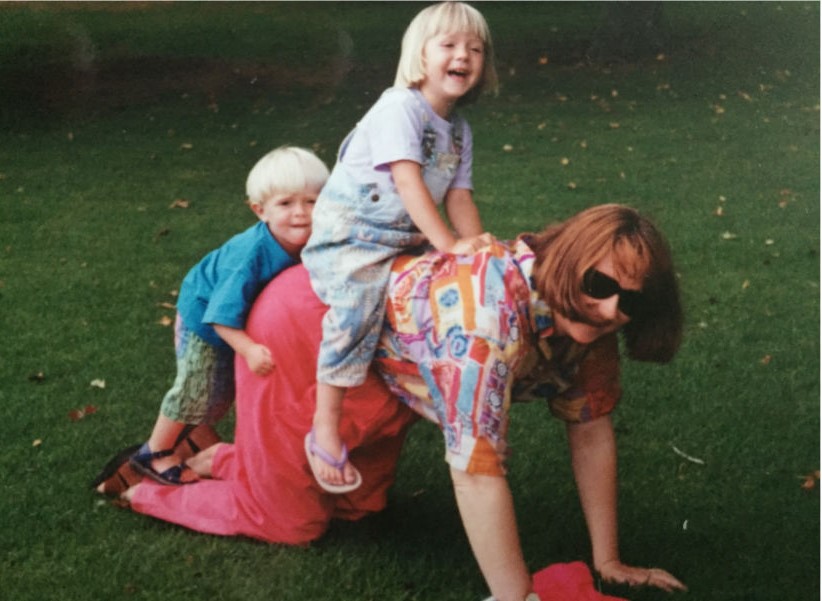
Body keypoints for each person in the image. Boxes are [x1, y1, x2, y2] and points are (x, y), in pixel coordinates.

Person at [101, 205, 686, 601]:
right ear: (567, 263)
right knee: (290, 523)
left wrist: (608, 560)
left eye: (632, 300)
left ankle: (229, 459)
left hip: (385, 368)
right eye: (600, 286)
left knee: (358, 506)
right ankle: (142, 485)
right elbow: (476, 473)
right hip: (305, 327)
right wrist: (518, 597)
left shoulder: (590, 321)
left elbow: (590, 428)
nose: (612, 310)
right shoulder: (486, 326)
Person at [301, 1, 498, 492]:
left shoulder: (458, 131)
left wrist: (475, 250)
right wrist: (448, 245)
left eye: (475, 49)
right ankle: (324, 425)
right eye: (449, 45)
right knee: (355, 308)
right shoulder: (399, 108)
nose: (463, 56)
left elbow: (458, 196)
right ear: (419, 55)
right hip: (354, 237)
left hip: (404, 239)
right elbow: (408, 183)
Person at [129, 146, 329, 485]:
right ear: (260, 210)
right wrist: (248, 349)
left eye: (312, 201)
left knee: (221, 394)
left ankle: (193, 436)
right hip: (205, 320)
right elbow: (219, 315)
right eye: (285, 203)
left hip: (237, 319)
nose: (301, 213)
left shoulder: (310, 239)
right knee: (196, 388)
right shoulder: (250, 255)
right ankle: (154, 452)